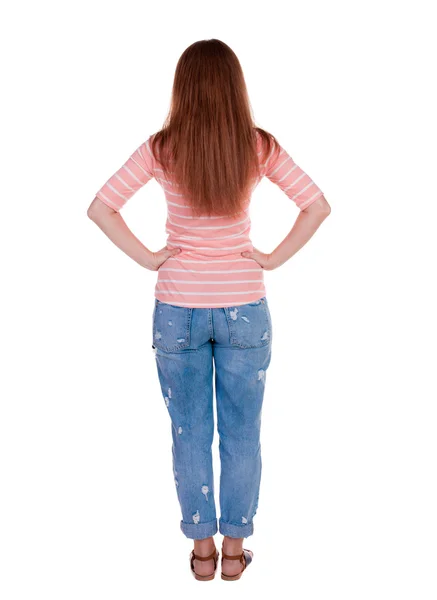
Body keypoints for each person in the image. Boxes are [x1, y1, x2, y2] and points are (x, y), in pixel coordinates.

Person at [87, 38, 331, 581]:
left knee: (188, 430)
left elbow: (101, 207)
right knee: (244, 432)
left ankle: (201, 552)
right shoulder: (257, 145)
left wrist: (153, 258)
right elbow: (317, 205)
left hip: (178, 306)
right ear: (234, 87)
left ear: (184, 88)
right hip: (245, 303)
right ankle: (235, 551)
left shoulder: (162, 147)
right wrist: (270, 259)